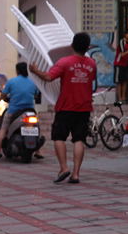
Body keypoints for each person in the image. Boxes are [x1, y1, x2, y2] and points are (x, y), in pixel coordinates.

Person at [29, 32, 97, 184]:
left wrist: (34, 71)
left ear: (72, 45)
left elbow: (48, 77)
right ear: (87, 47)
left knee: (59, 137)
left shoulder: (64, 62)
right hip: (84, 107)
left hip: (66, 107)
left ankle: (64, 168)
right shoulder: (92, 64)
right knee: (79, 139)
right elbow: (90, 81)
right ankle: (76, 174)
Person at [0, 62, 43, 162]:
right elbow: (36, 96)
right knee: (36, 127)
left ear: (17, 71)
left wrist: (2, 98)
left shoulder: (11, 81)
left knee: (3, 129)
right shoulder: (33, 82)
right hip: (30, 110)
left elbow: (4, 95)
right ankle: (38, 151)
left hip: (14, 111)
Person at [114, 28, 128, 102]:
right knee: (119, 81)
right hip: (119, 63)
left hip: (125, 64)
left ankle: (123, 97)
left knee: (125, 81)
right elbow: (122, 54)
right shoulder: (122, 42)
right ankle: (120, 98)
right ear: (125, 34)